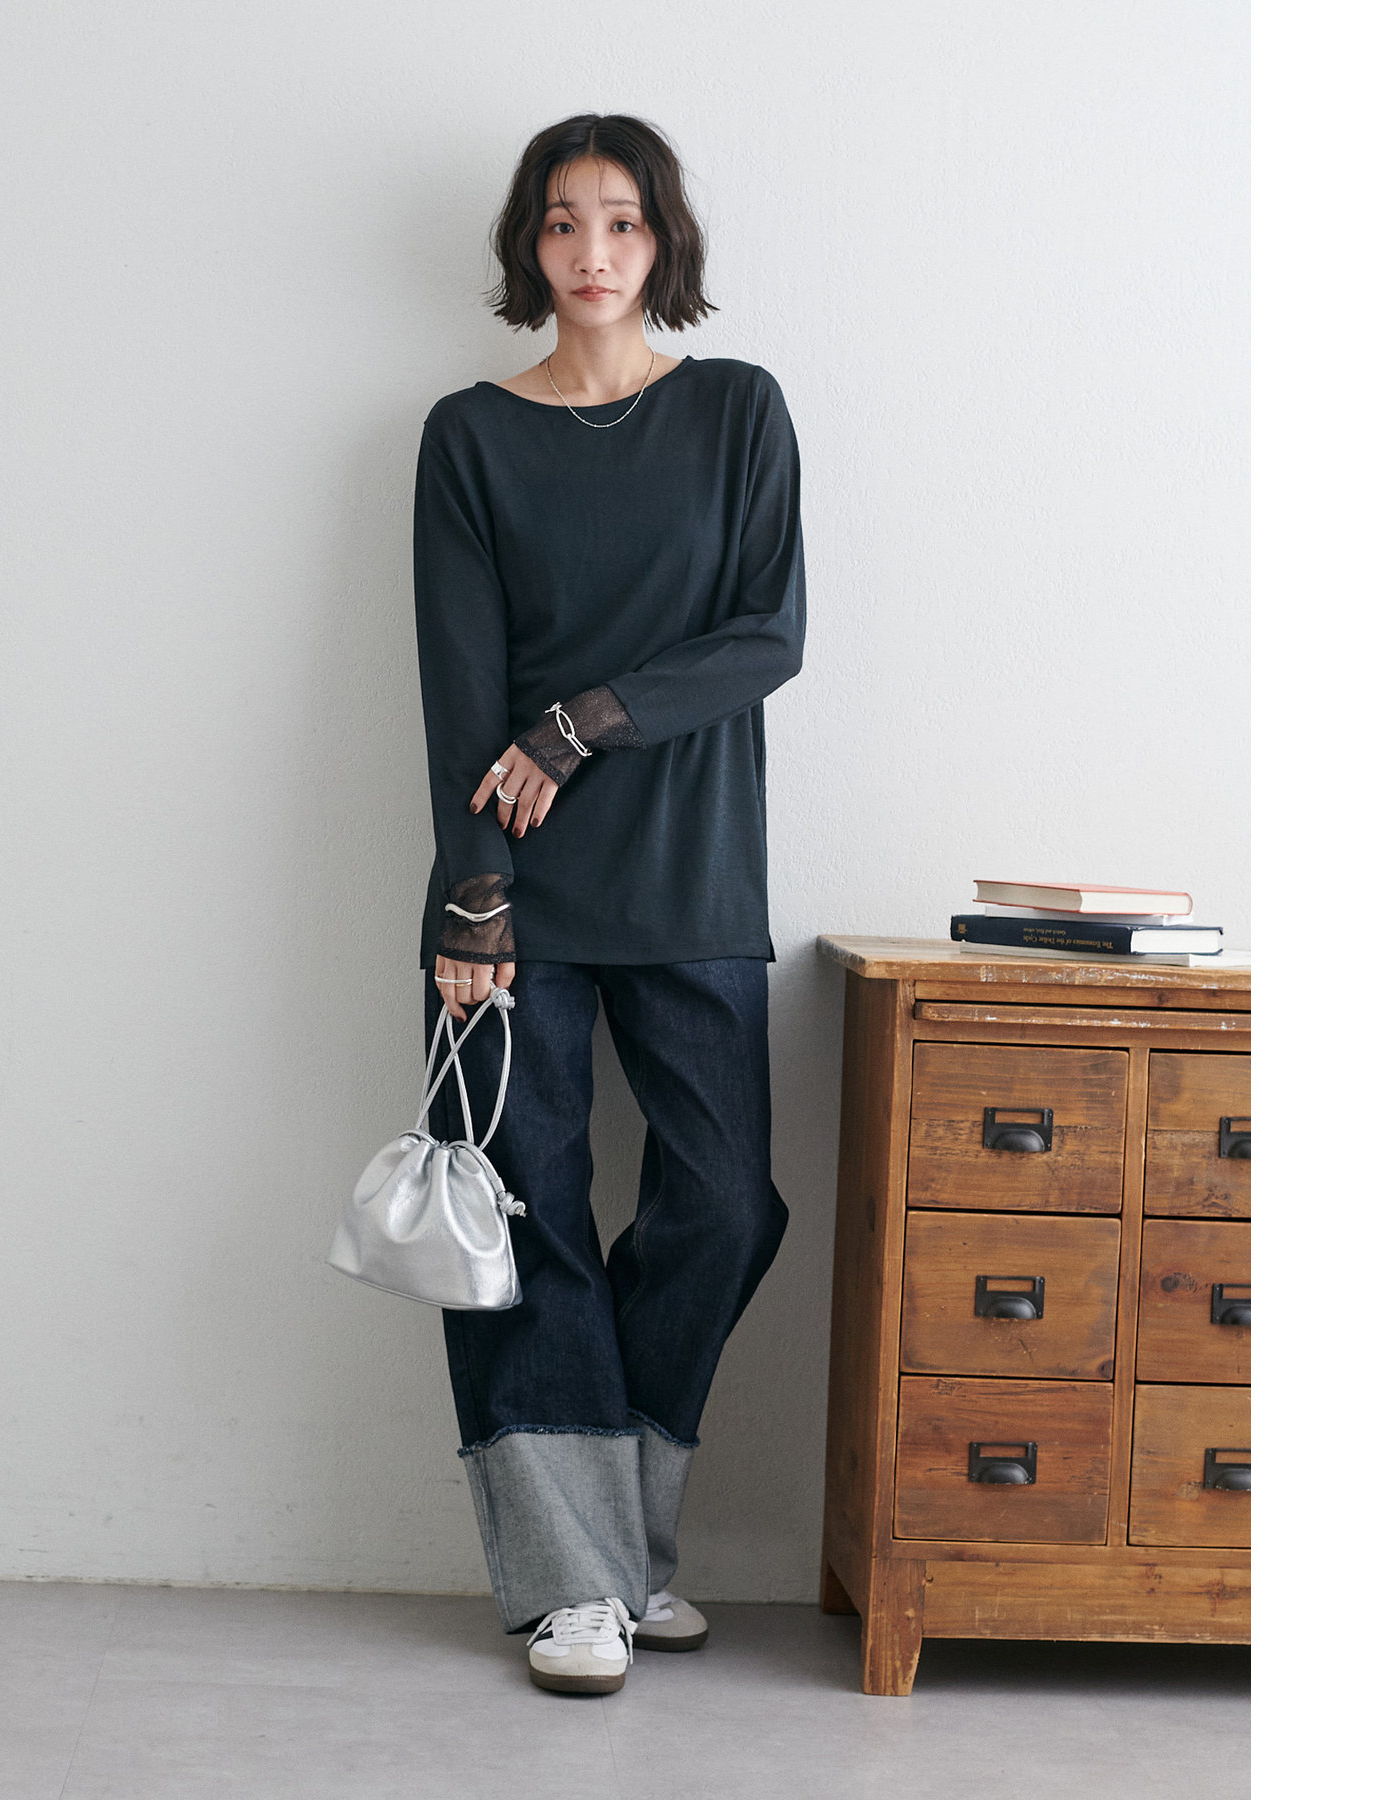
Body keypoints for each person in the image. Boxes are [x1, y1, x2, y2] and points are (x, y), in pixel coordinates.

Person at [412, 112, 806, 1695]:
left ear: (664, 243)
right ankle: (580, 1585)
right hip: (520, 894)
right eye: (564, 223)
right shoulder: (469, 435)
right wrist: (472, 897)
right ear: (530, 245)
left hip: (694, 871)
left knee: (726, 1203)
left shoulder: (737, 411)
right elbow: (459, 687)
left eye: (623, 222)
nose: (592, 253)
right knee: (526, 1213)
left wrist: (584, 724)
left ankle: (622, 1537)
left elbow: (767, 635)